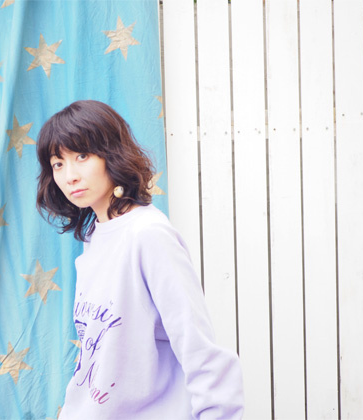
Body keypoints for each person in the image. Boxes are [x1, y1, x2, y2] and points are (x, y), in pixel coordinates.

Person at [36, 100, 244, 419]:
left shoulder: (148, 235)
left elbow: (198, 347)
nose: (70, 176)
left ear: (111, 154)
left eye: (82, 156)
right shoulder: (95, 237)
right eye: (58, 163)